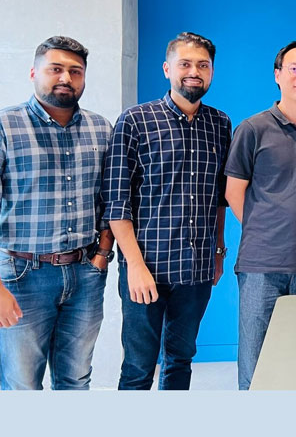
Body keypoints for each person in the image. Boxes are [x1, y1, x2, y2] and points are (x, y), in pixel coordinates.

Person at [0, 36, 113, 390]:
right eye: (55, 69)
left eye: (75, 71)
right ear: (33, 73)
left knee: (76, 380)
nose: (66, 78)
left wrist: (102, 256)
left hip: (85, 274)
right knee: (22, 384)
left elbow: (110, 199)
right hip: (22, 276)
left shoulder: (100, 128)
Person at [103, 32, 231, 390]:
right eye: (185, 64)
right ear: (167, 69)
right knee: (138, 367)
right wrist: (134, 267)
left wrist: (218, 251)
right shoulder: (136, 121)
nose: (194, 72)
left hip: (197, 268)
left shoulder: (220, 124)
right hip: (147, 267)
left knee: (181, 359)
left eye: (203, 65)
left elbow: (220, 197)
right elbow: (116, 201)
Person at [225, 41, 296, 390]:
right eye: (294, 69)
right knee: (256, 366)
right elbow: (234, 192)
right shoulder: (253, 128)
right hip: (261, 266)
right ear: (278, 75)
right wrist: (266, 229)